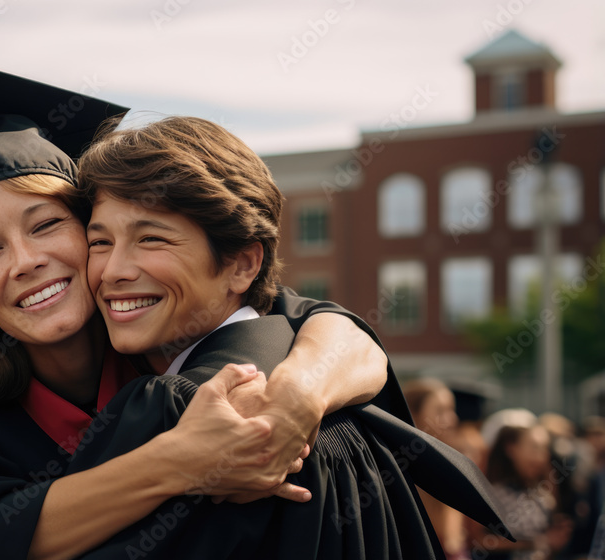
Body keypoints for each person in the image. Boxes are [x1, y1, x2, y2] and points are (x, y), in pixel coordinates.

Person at [0, 61, 396, 559]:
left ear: (93, 234)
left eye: (47, 225)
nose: (26, 261)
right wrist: (180, 462)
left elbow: (334, 332)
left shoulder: (178, 343)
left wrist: (300, 394)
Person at [71, 115, 513, 558]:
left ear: (243, 264)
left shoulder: (176, 411)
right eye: (100, 242)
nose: (113, 271)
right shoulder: (326, 386)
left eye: (151, 239)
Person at [475, 424, 572, 560]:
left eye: (544, 448)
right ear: (511, 448)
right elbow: (478, 542)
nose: (541, 456)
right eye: (534, 447)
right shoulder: (493, 493)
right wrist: (536, 543)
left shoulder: (543, 495)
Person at [404, 377, 472, 560]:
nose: (452, 419)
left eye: (451, 410)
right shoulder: (399, 470)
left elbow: (454, 541)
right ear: (413, 414)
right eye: (440, 411)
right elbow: (447, 539)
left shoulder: (453, 463)